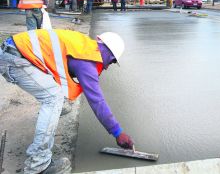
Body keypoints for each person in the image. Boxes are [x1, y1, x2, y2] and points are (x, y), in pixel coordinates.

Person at [0, 30, 134, 174]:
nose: (107, 66)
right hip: (14, 59)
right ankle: (37, 165)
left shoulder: (83, 46)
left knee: (54, 95)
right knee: (53, 99)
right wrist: (117, 132)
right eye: (112, 61)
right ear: (108, 53)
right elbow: (97, 101)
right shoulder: (86, 61)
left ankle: (51, 117)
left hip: (15, 52)